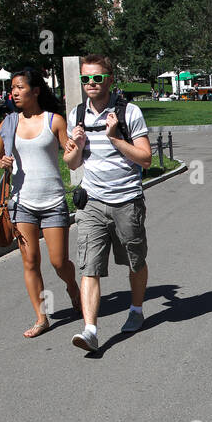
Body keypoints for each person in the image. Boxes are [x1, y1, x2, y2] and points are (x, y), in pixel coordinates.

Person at [63, 56, 152, 352]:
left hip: (127, 201)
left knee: (135, 261)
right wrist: (77, 146)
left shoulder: (129, 112)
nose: (90, 84)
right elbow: (72, 163)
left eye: (97, 78)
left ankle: (137, 310)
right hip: (91, 202)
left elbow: (146, 159)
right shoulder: (77, 114)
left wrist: (114, 138)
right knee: (89, 266)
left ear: (110, 79)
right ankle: (90, 330)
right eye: (86, 79)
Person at [0, 65, 80, 339]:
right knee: (30, 261)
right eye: (12, 88)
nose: (14, 92)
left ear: (35, 91)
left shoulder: (54, 120)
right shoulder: (8, 124)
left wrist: (74, 146)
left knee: (58, 261)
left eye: (19, 87)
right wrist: (0, 161)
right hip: (21, 203)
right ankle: (42, 318)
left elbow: (69, 153)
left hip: (52, 201)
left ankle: (73, 288)